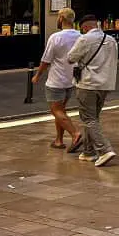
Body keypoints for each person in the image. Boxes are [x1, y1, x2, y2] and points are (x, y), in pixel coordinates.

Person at [67, 14, 119, 167]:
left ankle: (104, 150)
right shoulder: (111, 40)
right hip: (105, 84)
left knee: (88, 118)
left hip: (88, 84)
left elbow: (71, 57)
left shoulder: (85, 39)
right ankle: (89, 151)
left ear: (85, 27)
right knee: (93, 118)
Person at [32, 8, 83, 152]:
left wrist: (37, 75)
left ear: (61, 18)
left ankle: (75, 133)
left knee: (56, 111)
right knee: (62, 110)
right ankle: (58, 140)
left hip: (56, 80)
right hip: (71, 80)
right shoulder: (80, 36)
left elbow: (46, 59)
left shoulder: (56, 37)